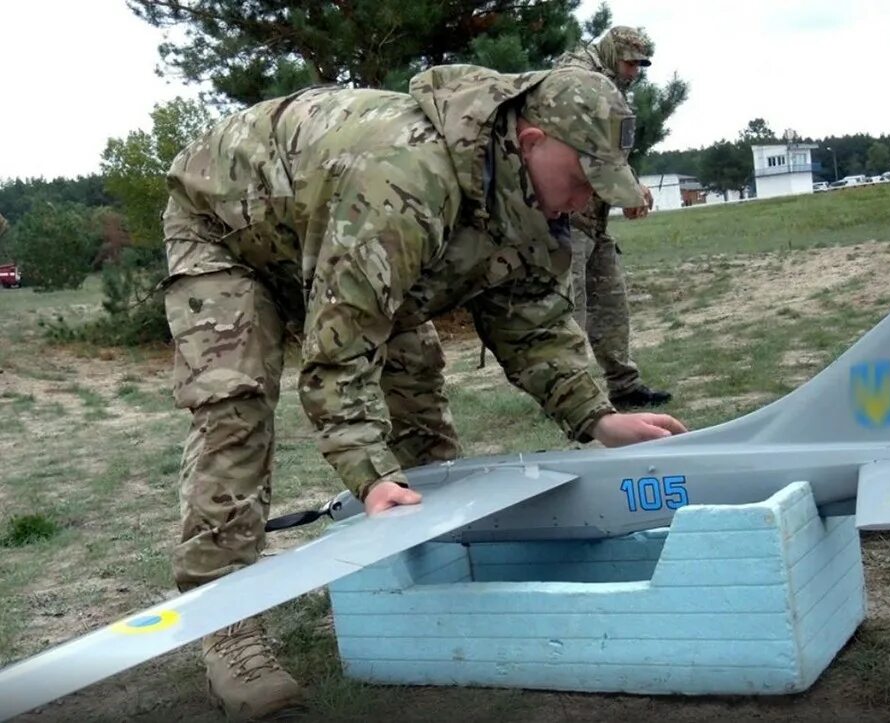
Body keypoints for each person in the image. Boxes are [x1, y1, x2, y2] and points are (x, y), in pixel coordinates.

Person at [161, 63, 687, 719]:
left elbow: (535, 321)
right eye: (581, 179)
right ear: (530, 140)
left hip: (331, 234)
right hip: (227, 228)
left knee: (417, 369)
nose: (583, 201)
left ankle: (433, 563)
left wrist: (598, 418)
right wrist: (370, 474)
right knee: (233, 404)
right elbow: (340, 347)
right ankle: (225, 621)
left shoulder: (525, 195)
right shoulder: (402, 178)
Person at [553, 26, 673, 410]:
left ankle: (624, 385)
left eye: (640, 65)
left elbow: (613, 151)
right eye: (630, 62)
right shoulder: (576, 78)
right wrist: (626, 191)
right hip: (566, 215)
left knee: (611, 302)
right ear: (611, 51)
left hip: (593, 219)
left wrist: (629, 187)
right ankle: (571, 396)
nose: (635, 71)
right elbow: (584, 146)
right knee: (571, 312)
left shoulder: (607, 82)